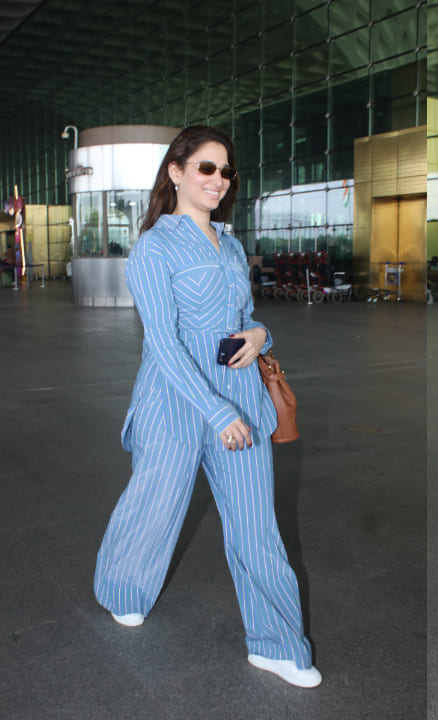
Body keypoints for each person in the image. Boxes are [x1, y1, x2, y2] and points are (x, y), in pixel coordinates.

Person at [93, 126, 321, 687]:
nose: (219, 181)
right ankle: (123, 588)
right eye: (206, 169)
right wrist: (216, 413)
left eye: (225, 172)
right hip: (174, 400)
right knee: (154, 506)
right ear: (176, 172)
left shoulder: (232, 243)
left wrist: (262, 333)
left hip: (239, 396)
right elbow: (162, 343)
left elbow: (244, 317)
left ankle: (277, 642)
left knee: (257, 528)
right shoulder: (154, 247)